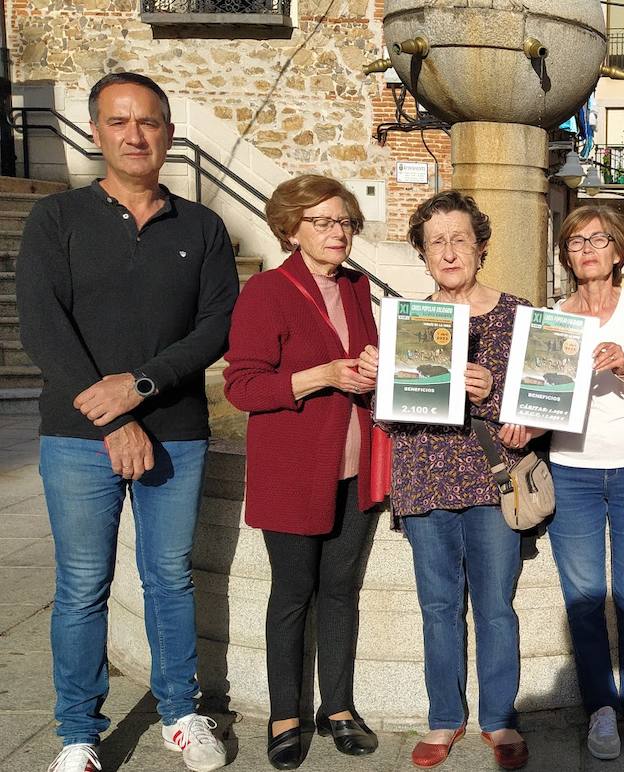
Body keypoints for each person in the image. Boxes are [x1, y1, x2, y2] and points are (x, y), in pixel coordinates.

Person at [16, 72, 237, 772]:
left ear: (169, 134)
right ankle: (78, 733)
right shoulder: (57, 220)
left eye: (148, 122)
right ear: (96, 132)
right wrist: (113, 418)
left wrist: (141, 386)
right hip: (79, 434)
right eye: (119, 122)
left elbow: (216, 327)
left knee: (169, 579)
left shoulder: (202, 228)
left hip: (176, 428)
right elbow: (42, 326)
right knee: (82, 584)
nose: (134, 135)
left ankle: (179, 714)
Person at [222, 174, 383, 769]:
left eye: (343, 221)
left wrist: (372, 363)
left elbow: (365, 363)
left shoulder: (360, 288)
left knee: (341, 591)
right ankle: (284, 713)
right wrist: (322, 375)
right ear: (291, 229)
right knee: (292, 595)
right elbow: (241, 386)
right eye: (322, 221)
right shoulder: (267, 291)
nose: (337, 231)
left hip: (353, 467)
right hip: (293, 470)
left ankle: (336, 707)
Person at [502, 206, 624, 761]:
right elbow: (543, 401)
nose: (588, 249)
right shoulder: (554, 319)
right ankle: (601, 707)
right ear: (567, 256)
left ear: (618, 251)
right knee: (582, 596)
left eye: (599, 239)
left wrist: (623, 364)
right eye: (576, 242)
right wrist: (524, 420)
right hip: (571, 473)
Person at [387, 190, 531, 771]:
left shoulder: (519, 314)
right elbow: (392, 415)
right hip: (425, 481)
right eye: (436, 242)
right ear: (423, 255)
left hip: (492, 483)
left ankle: (499, 719)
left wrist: (492, 394)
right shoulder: (412, 319)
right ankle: (445, 716)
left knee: (496, 605)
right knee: (438, 605)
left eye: (460, 240)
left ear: (482, 247)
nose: (448, 252)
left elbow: (545, 401)